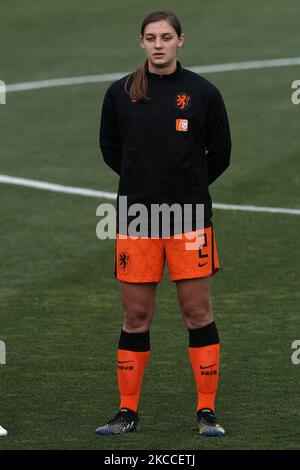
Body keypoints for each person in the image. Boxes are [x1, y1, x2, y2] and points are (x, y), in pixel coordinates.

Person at [96, 10, 231, 437]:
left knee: (197, 311)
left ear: (180, 41)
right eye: (151, 37)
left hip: (189, 218)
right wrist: (146, 186)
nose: (158, 44)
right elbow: (110, 149)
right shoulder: (120, 93)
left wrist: (186, 187)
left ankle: (206, 412)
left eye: (166, 37)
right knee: (135, 316)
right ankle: (126, 412)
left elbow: (221, 153)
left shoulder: (203, 92)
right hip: (137, 218)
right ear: (141, 43)